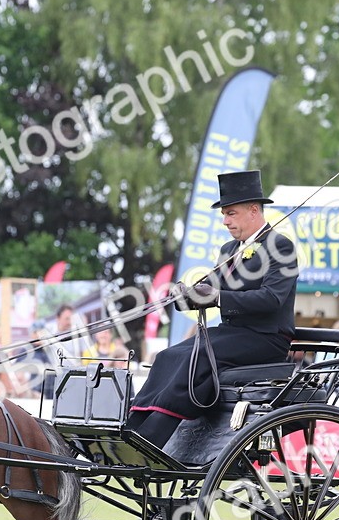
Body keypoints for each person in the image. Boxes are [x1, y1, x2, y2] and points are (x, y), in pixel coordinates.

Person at [127, 170, 297, 447]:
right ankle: (134, 423)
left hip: (265, 339)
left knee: (196, 355)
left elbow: (271, 299)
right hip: (231, 334)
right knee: (168, 355)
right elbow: (209, 288)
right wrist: (183, 295)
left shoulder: (281, 246)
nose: (225, 221)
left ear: (253, 210)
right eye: (224, 214)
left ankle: (152, 437)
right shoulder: (229, 249)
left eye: (231, 213)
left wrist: (218, 298)